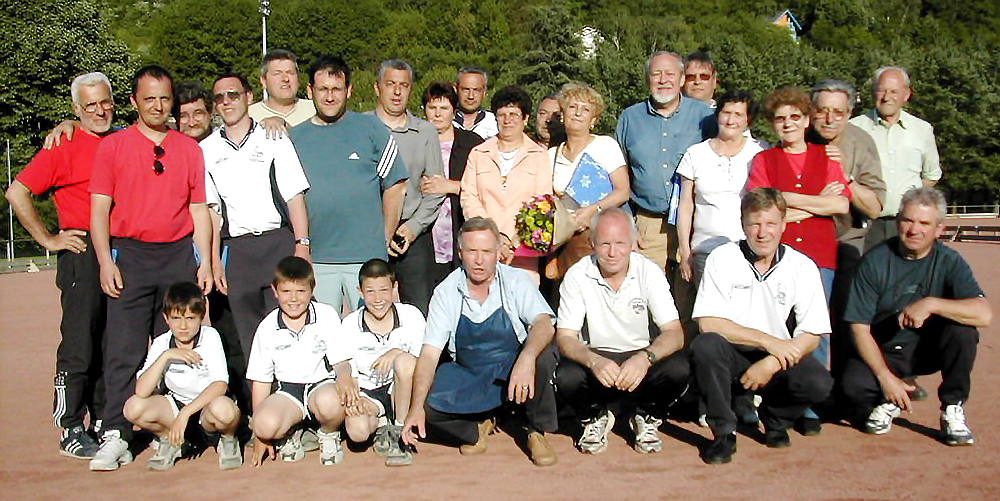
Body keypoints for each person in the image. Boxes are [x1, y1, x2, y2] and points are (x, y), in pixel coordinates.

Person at [88, 65, 213, 472]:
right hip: (132, 256)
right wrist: (106, 261)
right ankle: (116, 434)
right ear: (134, 102)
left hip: (177, 257)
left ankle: (173, 429)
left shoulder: (189, 149)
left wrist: (206, 262)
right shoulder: (114, 147)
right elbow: (100, 210)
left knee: (177, 346)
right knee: (123, 348)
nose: (158, 106)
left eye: (164, 98)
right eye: (150, 99)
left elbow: (199, 210)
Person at [5, 72, 115, 460]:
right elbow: (17, 192)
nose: (99, 111)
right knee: (80, 341)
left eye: (105, 102)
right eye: (90, 106)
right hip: (82, 249)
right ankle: (70, 425)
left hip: (120, 249)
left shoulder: (121, 138)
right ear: (75, 109)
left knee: (113, 340)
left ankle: (104, 419)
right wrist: (49, 239)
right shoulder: (63, 144)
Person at [690, 188, 834, 464]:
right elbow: (708, 322)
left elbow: (813, 334)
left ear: (783, 224)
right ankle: (724, 433)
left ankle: (775, 419)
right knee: (705, 347)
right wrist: (768, 341)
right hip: (732, 352)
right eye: (754, 223)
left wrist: (771, 361)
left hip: (777, 358)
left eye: (770, 223)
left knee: (818, 383)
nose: (762, 232)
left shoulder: (802, 266)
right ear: (743, 224)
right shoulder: (722, 258)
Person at [401, 217, 559, 467]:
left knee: (543, 355)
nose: (479, 259)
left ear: (498, 252)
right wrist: (415, 407)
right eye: (472, 251)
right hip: (469, 371)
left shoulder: (517, 281)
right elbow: (430, 354)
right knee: (426, 405)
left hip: (511, 365)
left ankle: (534, 431)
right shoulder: (446, 291)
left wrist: (527, 358)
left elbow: (543, 323)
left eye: (486, 251)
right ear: (460, 252)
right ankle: (476, 429)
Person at [840, 187, 992, 445]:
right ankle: (891, 396)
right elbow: (859, 327)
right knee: (851, 390)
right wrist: (885, 378)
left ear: (938, 229)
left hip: (927, 348)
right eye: (908, 220)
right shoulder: (874, 261)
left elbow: (984, 314)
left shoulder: (949, 261)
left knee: (964, 331)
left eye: (924, 223)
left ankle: (952, 408)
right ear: (898, 222)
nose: (914, 230)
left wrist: (932, 304)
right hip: (886, 349)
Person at [201, 72, 310, 396]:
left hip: (277, 243)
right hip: (237, 250)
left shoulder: (273, 137)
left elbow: (294, 196)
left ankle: (296, 408)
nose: (227, 103)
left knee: (289, 329)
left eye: (233, 95)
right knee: (251, 338)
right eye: (219, 98)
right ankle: (260, 413)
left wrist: (301, 245)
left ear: (249, 97)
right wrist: (214, 261)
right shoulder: (205, 150)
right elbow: (211, 211)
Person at [745, 88, 852, 408]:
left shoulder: (826, 156)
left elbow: (842, 204)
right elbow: (763, 206)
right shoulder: (765, 159)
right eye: (780, 119)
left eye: (795, 117)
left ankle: (811, 403)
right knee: (777, 324)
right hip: (779, 254)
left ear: (806, 120)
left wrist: (788, 200)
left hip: (820, 254)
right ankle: (772, 396)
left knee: (815, 328)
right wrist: (819, 204)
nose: (788, 124)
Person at [555, 208, 689, 455]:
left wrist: (645, 358)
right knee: (566, 375)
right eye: (605, 244)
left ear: (632, 242)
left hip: (639, 358)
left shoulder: (650, 272)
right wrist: (593, 361)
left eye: (620, 243)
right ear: (592, 243)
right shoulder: (577, 275)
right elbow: (565, 336)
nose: (613, 252)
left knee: (679, 368)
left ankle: (647, 416)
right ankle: (594, 417)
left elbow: (674, 332)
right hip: (598, 359)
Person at [288, 54, 408, 314]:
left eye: (336, 90)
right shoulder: (294, 137)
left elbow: (396, 185)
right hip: (317, 259)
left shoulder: (371, 128)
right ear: (310, 91)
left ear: (349, 90)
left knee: (370, 335)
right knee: (323, 339)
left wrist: (383, 238)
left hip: (365, 257)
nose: (330, 97)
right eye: (322, 89)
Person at [246, 257, 355, 466]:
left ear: (312, 290)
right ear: (275, 291)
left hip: (321, 386)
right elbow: (261, 381)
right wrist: (260, 435)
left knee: (331, 402)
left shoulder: (326, 314)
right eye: (286, 292)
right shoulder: (267, 327)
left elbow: (341, 361)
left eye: (301, 291)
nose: (293, 299)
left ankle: (328, 433)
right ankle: (291, 432)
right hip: (288, 392)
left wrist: (344, 377)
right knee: (264, 423)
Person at [123, 282, 242, 471]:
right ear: (166, 318)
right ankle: (170, 439)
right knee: (133, 407)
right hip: (176, 406)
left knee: (225, 410)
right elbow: (141, 390)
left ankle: (228, 440)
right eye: (176, 318)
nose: (183, 326)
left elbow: (220, 385)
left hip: (206, 410)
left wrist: (186, 413)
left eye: (190, 318)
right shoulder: (162, 342)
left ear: (201, 317)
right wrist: (166, 356)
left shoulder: (210, 336)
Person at [615, 50, 715, 272]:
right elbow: (617, 176)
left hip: (695, 224)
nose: (663, 80)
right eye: (656, 74)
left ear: (681, 80)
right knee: (647, 296)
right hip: (648, 226)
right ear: (647, 80)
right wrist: (627, 224)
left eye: (670, 74)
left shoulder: (704, 116)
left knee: (693, 297)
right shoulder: (630, 118)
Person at [366, 59, 445, 315]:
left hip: (412, 235)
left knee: (419, 311)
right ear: (377, 88)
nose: (397, 92)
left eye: (404, 85)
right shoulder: (360, 127)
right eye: (390, 84)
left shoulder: (425, 132)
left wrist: (412, 229)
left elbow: (435, 189)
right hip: (368, 234)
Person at [460, 86, 553, 283]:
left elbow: (542, 203)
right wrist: (493, 237)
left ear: (525, 118)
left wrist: (514, 243)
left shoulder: (539, 157)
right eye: (502, 115)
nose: (507, 120)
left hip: (522, 254)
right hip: (483, 250)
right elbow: (469, 197)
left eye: (513, 114)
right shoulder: (478, 154)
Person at [676, 90, 766, 285]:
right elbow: (685, 206)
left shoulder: (758, 154)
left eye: (738, 114)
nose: (731, 120)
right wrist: (685, 250)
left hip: (745, 249)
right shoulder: (695, 153)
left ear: (747, 120)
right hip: (704, 250)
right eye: (726, 113)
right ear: (718, 115)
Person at [339, 259, 423, 466]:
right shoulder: (350, 324)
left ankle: (400, 432)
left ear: (395, 288)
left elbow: (423, 361)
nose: (378, 299)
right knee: (357, 432)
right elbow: (347, 367)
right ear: (360, 291)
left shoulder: (411, 315)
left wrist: (396, 352)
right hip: (369, 392)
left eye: (384, 290)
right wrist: (355, 399)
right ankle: (383, 423)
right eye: (370, 292)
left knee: (404, 361)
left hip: (402, 389)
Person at [850, 66, 941, 251]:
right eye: (881, 90)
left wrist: (910, 201)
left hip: (907, 224)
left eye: (894, 91)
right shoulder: (853, 128)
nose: (886, 97)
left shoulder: (922, 130)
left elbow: (931, 176)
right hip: (865, 224)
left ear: (906, 94)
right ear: (874, 92)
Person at [546, 82, 630, 279]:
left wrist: (593, 210)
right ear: (563, 115)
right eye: (572, 107)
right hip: (566, 243)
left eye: (585, 110)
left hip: (600, 237)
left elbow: (623, 191)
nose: (577, 113)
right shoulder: (551, 155)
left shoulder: (606, 146)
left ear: (593, 120)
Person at [420, 82, 484, 285]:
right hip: (426, 235)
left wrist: (451, 186)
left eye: (444, 108)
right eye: (432, 108)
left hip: (458, 227)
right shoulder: (415, 141)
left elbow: (486, 186)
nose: (437, 114)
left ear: (454, 111)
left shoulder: (472, 143)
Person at [249, 49, 317, 127]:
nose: (285, 79)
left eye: (290, 73)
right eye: (277, 74)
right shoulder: (250, 116)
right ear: (264, 81)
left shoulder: (315, 110)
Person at [454, 66, 499, 139]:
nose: (470, 96)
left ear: (484, 92)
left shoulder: (496, 123)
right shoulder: (444, 121)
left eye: (476, 90)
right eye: (466, 90)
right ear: (456, 89)